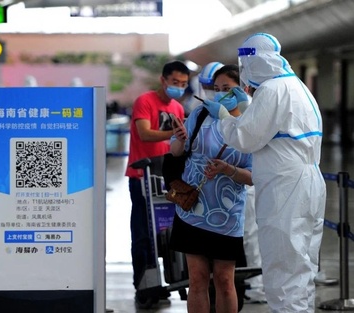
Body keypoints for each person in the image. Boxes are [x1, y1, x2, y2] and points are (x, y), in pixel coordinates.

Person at [202, 32, 326, 312]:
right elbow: (272, 127)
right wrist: (248, 107)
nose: (244, 72)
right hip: (307, 182)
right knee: (302, 267)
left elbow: (246, 138)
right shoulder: (296, 86)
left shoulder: (272, 89)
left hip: (285, 188)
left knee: (282, 269)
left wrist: (223, 117)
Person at [169, 64, 253, 312]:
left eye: (227, 88)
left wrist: (228, 170)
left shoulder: (251, 126)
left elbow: (255, 176)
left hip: (227, 216)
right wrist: (180, 140)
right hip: (191, 209)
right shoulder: (200, 114)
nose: (219, 94)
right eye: (216, 89)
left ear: (243, 90)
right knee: (197, 279)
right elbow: (176, 152)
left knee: (225, 281)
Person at [125, 60, 188, 304]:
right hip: (142, 176)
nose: (179, 88)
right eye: (175, 83)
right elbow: (144, 133)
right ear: (163, 80)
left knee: (169, 232)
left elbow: (178, 145)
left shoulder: (178, 108)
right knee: (143, 233)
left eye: (183, 84)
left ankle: (170, 280)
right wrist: (174, 133)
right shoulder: (145, 101)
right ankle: (145, 287)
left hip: (169, 177)